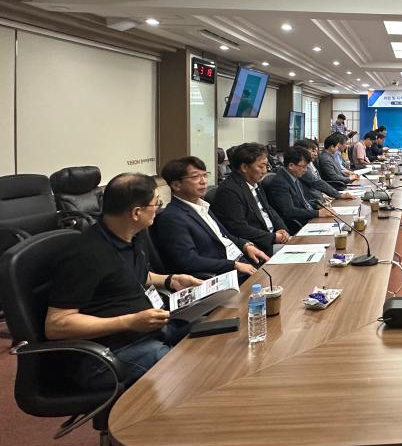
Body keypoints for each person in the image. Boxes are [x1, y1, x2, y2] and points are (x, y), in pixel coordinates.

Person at [45, 173, 201, 389]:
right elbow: (56, 325)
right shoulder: (85, 255)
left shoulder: (132, 236)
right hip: (107, 353)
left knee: (208, 332)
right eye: (156, 203)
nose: (158, 208)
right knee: (186, 372)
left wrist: (170, 280)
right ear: (136, 213)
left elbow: (130, 277)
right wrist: (129, 321)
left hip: (146, 330)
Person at [155, 157, 269, 278]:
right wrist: (233, 265)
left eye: (205, 175)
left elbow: (224, 236)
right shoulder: (172, 218)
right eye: (195, 177)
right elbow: (188, 261)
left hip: (242, 261)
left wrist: (246, 245)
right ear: (176, 185)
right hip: (224, 274)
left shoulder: (202, 205)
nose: (203, 181)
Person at [211, 142, 289, 252]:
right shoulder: (229, 191)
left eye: (266, 166)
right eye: (261, 166)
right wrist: (274, 237)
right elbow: (239, 228)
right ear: (244, 167)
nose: (265, 171)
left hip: (273, 239)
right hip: (258, 247)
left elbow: (269, 210)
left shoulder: (255, 183)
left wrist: (282, 229)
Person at [265, 147, 334, 233]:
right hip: (298, 226)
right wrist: (318, 213)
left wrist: (317, 206)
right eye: (303, 167)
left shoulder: (293, 176)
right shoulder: (280, 183)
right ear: (291, 166)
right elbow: (289, 211)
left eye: (307, 166)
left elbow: (301, 202)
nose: (305, 170)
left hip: (308, 219)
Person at [293, 138, 356, 203]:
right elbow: (316, 182)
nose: (316, 154)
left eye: (316, 151)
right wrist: (339, 195)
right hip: (313, 200)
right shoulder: (302, 167)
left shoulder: (311, 163)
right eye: (313, 151)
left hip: (319, 197)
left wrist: (323, 194)